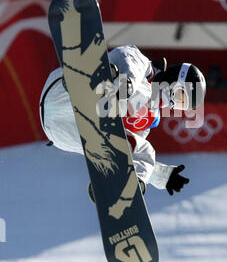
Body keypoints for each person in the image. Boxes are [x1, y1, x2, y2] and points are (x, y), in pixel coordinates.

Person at [39, 45, 206, 199]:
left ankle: (119, 186)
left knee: (144, 150)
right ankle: (87, 82)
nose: (173, 102)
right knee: (137, 91)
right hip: (63, 94)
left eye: (180, 105)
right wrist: (128, 84)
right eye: (179, 95)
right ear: (174, 79)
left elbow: (132, 152)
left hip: (63, 132)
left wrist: (163, 176)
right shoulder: (146, 70)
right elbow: (125, 56)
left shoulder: (148, 119)